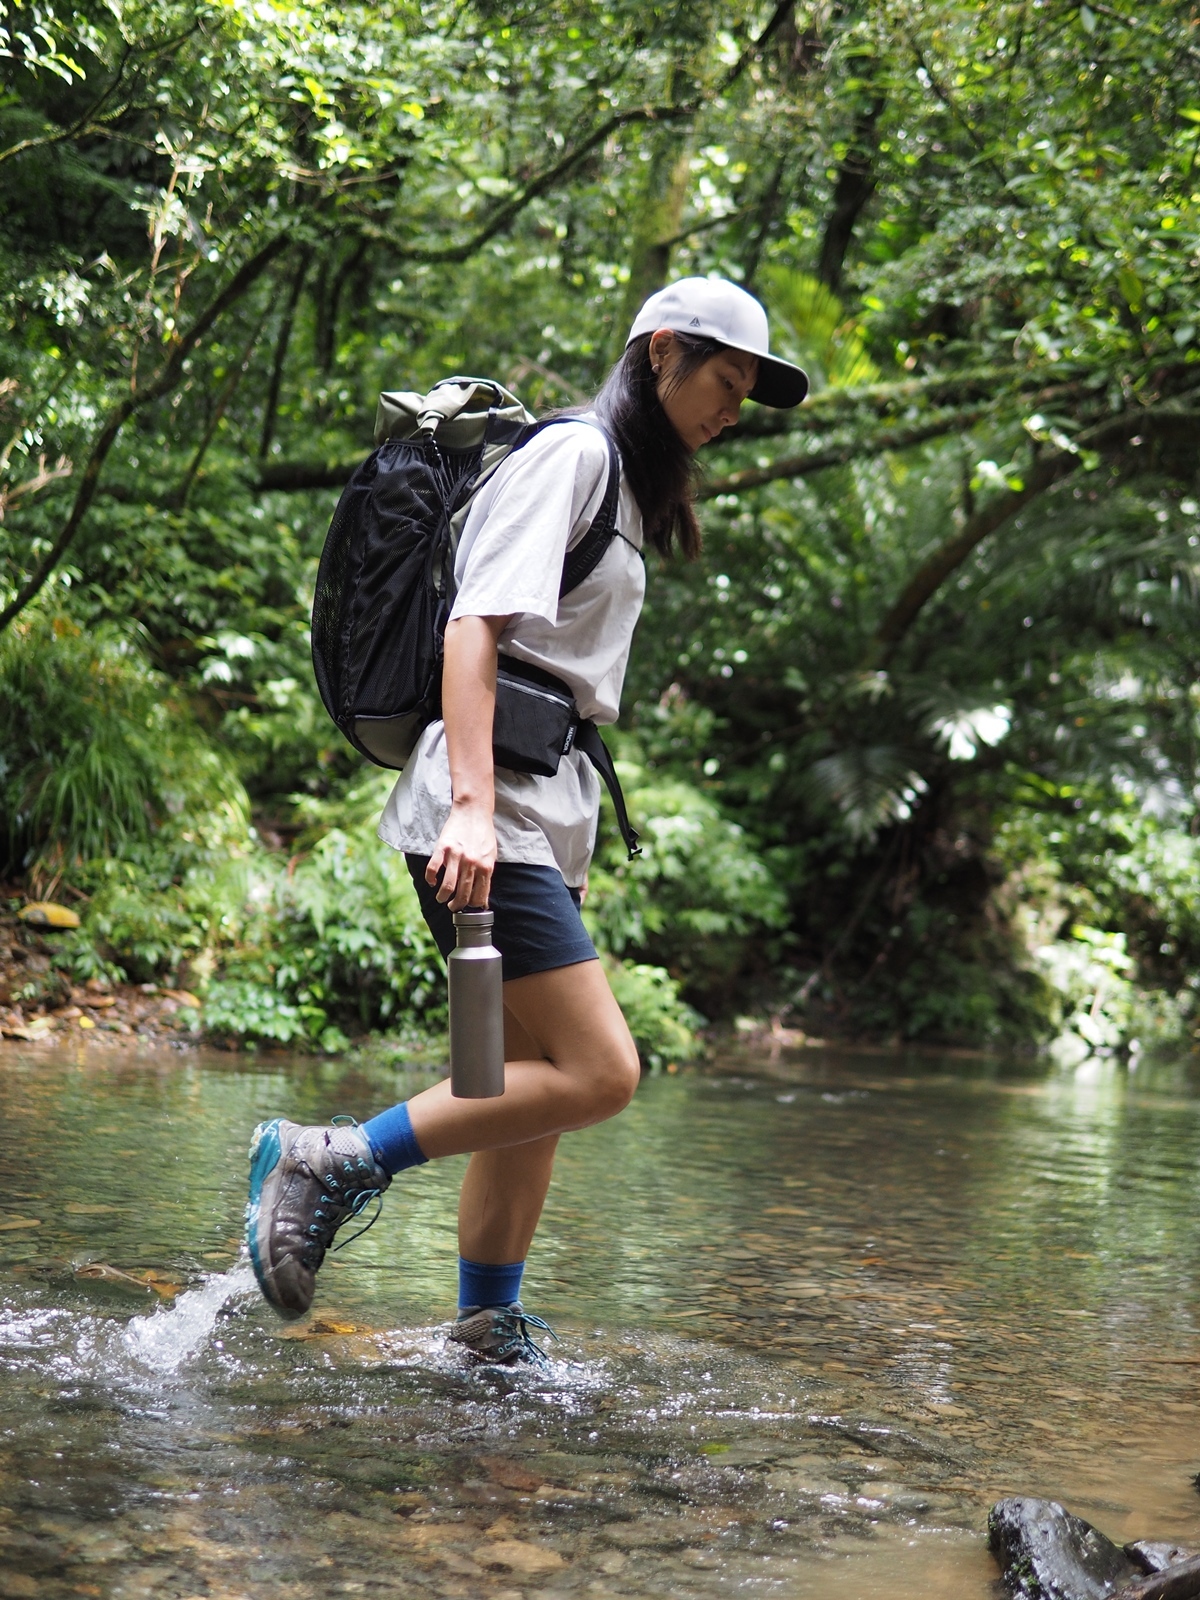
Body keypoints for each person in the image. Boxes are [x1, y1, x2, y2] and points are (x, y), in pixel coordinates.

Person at [245, 277, 808, 1363]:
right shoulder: (576, 455)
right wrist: (468, 808)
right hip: (486, 809)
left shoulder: (626, 492)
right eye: (726, 382)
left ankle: (485, 1329)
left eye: (746, 395)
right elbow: (474, 629)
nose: (733, 410)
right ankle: (328, 1159)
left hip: (541, 811)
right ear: (661, 354)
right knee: (603, 1071)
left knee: (527, 1095)